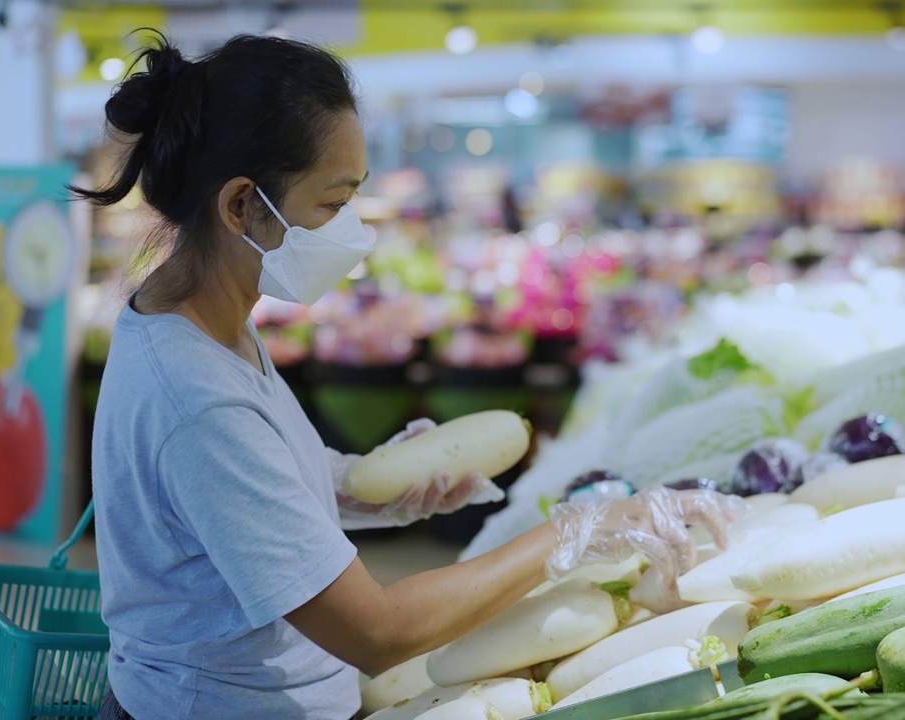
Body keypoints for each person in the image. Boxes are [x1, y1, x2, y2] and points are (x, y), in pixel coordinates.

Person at [80, 32, 738, 720]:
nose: (354, 231)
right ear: (242, 205)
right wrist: (568, 533)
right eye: (333, 205)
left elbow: (227, 497)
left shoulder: (203, 319)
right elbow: (375, 632)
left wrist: (368, 491)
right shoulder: (196, 394)